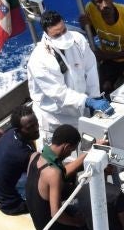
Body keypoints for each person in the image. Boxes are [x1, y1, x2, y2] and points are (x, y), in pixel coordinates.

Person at [26, 10, 108, 140]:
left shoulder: (78, 39)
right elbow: (58, 93)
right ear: (47, 34)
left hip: (82, 111)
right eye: (57, 35)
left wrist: (95, 96)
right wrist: (86, 101)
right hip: (56, 119)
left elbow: (90, 68)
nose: (63, 36)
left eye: (64, 31)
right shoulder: (39, 60)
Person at [25, 124, 93, 230]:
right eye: (71, 150)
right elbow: (56, 214)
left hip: (42, 228)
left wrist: (90, 152)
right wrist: (77, 222)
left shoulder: (34, 157)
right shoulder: (54, 173)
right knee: (91, 217)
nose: (70, 153)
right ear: (66, 146)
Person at [0, 105, 40, 216]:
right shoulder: (21, 154)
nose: (36, 128)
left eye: (36, 123)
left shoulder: (11, 132)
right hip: (12, 204)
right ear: (20, 129)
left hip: (4, 190)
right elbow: (45, 176)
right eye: (30, 127)